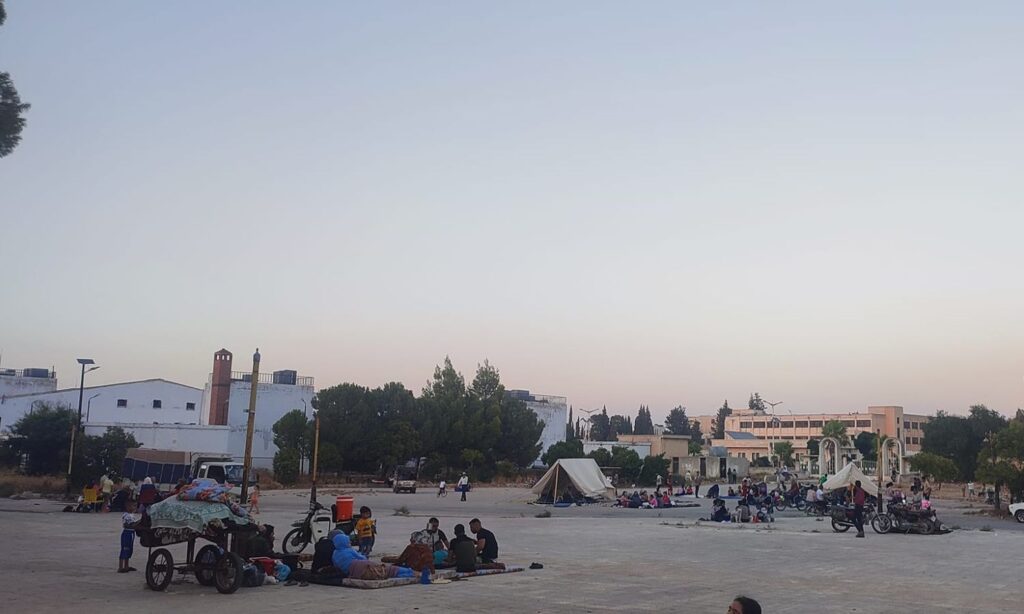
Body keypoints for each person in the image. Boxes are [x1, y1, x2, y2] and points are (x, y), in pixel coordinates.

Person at [118, 500, 139, 573]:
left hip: (131, 533)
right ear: (127, 507)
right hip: (127, 533)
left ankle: (126, 565)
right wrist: (137, 523)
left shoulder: (132, 515)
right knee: (124, 549)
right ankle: (121, 567)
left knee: (129, 549)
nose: (135, 507)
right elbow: (128, 524)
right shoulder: (126, 515)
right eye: (133, 506)